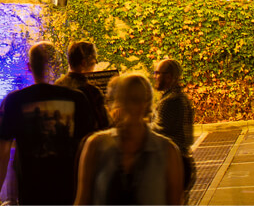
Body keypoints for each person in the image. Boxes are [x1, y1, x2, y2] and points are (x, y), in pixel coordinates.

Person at [0, 41, 95, 206]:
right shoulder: (77, 99)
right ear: (57, 65)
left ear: (29, 66)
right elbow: (88, 152)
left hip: (31, 192)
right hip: (69, 191)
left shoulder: (15, 100)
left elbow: (1, 155)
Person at [74, 74, 183, 205]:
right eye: (123, 99)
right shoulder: (96, 146)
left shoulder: (166, 152)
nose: (128, 106)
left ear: (146, 104)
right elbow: (82, 200)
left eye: (135, 100)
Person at [153, 58, 196, 193]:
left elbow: (159, 132)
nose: (155, 77)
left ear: (169, 76)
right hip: (181, 161)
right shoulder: (179, 97)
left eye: (157, 73)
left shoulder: (171, 101)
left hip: (173, 163)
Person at [56, 41, 110, 130]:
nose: (96, 64)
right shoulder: (92, 92)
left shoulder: (57, 86)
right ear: (84, 63)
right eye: (94, 60)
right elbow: (104, 125)